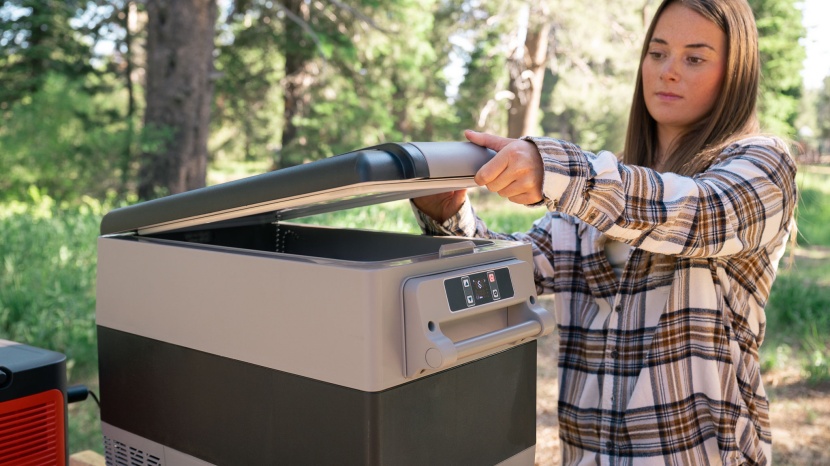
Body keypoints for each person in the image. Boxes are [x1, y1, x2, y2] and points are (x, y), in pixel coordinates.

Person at [412, 0, 798, 464]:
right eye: (657, 53)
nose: (668, 71)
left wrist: (556, 171)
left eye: (695, 58)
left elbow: (697, 215)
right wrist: (449, 214)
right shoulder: (599, 194)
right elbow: (513, 274)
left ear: (737, 74)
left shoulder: (764, 165)